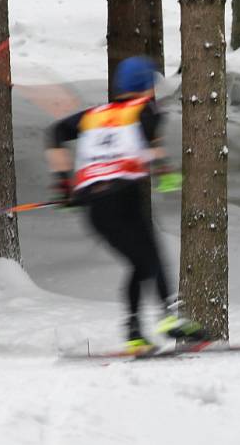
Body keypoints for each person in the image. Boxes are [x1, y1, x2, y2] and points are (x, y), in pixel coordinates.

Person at [45, 56, 204, 352]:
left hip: (96, 207)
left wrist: (64, 184)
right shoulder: (147, 110)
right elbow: (151, 146)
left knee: (140, 261)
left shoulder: (93, 115)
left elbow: (54, 133)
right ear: (146, 86)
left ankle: (134, 333)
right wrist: (165, 175)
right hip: (124, 198)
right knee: (151, 256)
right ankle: (168, 317)